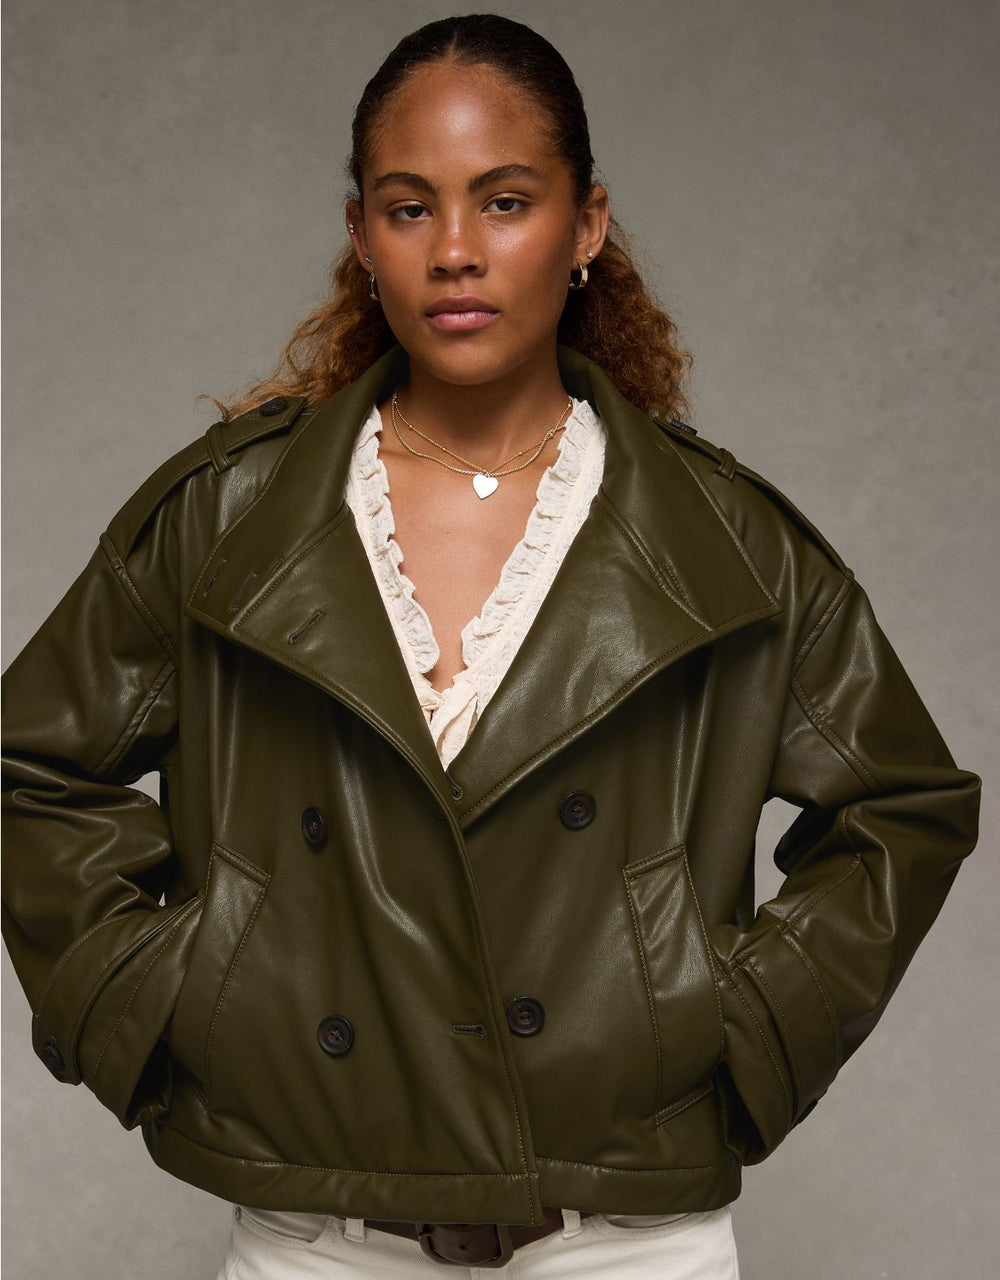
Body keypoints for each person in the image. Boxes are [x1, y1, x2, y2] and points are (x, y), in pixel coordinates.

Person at [1, 13, 981, 1280]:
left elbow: (903, 803)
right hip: (317, 1242)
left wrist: (734, 1028)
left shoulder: (726, 540)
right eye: (409, 208)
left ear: (586, 226)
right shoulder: (230, 515)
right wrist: (179, 995)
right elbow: (31, 764)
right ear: (362, 236)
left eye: (505, 201)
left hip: (626, 1245)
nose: (455, 250)